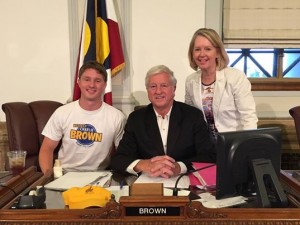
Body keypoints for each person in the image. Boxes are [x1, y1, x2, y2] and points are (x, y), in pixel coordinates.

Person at [110, 65, 216, 178]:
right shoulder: (136, 119)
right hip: (149, 182)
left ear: (174, 89)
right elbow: (119, 159)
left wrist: (180, 167)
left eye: (164, 86)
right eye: (153, 86)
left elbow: (209, 155)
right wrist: (142, 164)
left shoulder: (193, 116)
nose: (158, 91)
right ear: (147, 90)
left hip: (183, 180)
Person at [39, 61, 126, 175]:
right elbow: (47, 149)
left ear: (105, 85)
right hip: (65, 174)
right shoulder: (62, 113)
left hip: (100, 175)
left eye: (98, 80)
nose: (92, 85)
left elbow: (123, 154)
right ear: (79, 82)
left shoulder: (117, 117)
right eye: (87, 79)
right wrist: (48, 176)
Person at [185, 28, 258, 140]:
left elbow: (248, 117)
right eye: (197, 49)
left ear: (217, 52)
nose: (202, 54)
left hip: (234, 144)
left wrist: (247, 147)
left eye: (208, 49)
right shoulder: (190, 81)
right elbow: (189, 118)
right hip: (205, 146)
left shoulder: (235, 77)